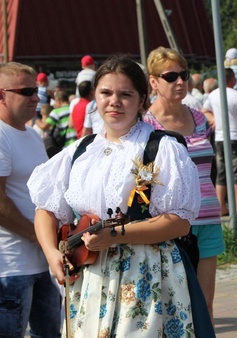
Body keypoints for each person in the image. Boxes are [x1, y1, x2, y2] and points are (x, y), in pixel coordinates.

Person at [27, 55, 214, 337]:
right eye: (106, 93)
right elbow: (46, 208)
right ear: (95, 97)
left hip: (146, 274)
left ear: (142, 100)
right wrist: (52, 253)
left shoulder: (161, 148)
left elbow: (179, 221)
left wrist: (116, 236)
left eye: (125, 94)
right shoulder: (79, 151)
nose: (114, 101)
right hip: (89, 275)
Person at [143, 46, 224, 324]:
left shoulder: (199, 117)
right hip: (170, 222)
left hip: (208, 218)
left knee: (205, 307)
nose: (180, 81)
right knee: (173, 307)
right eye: (170, 76)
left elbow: (209, 167)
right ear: (153, 81)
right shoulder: (146, 125)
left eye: (184, 74)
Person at [0, 62, 61, 337]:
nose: (36, 98)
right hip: (11, 265)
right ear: (2, 94)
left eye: (36, 90)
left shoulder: (33, 135)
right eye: (26, 91)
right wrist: (41, 236)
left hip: (40, 261)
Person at [203, 68, 237, 217]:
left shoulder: (213, 95)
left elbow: (204, 110)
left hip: (220, 138)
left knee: (221, 174)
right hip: (235, 136)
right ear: (232, 79)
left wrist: (214, 120)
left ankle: (221, 207)